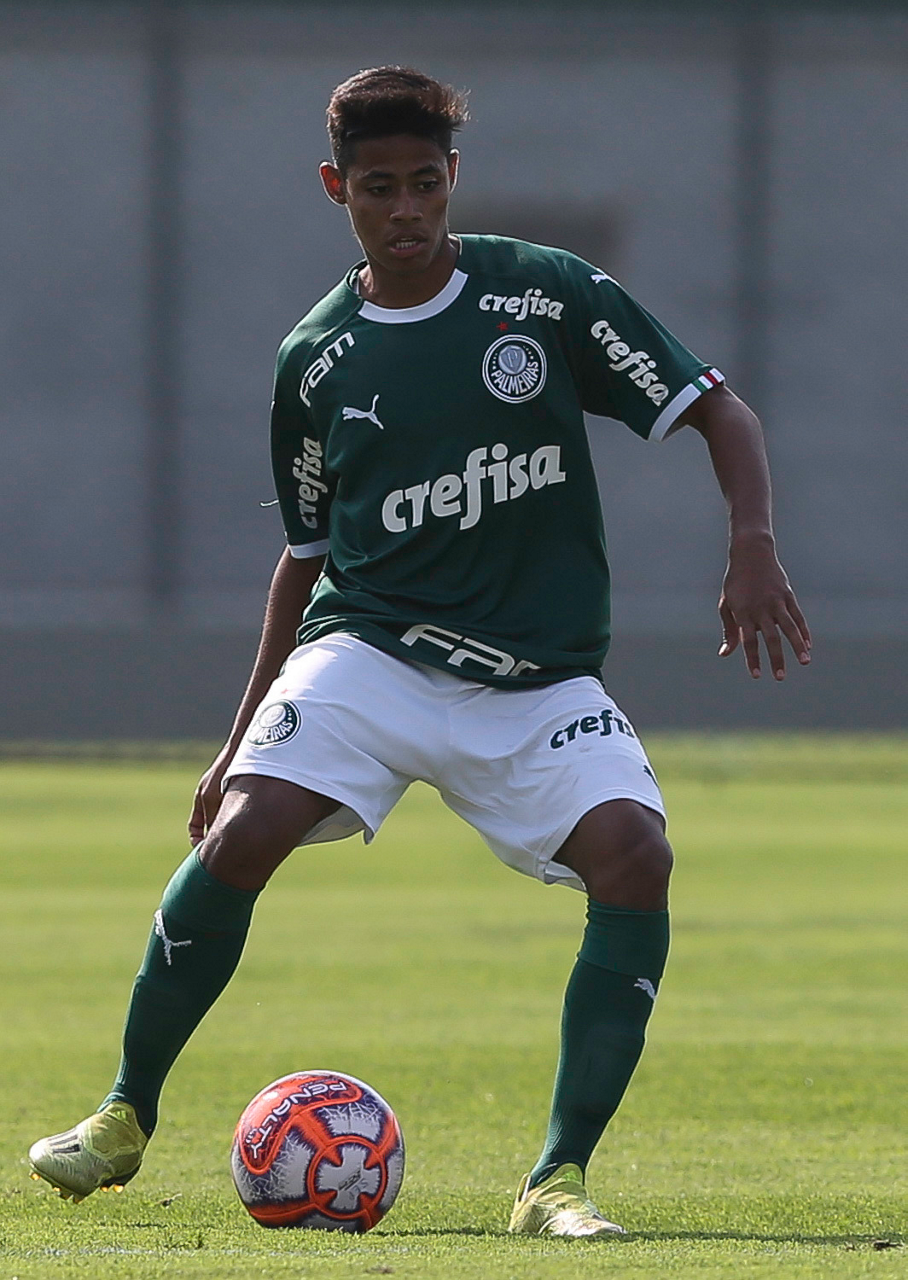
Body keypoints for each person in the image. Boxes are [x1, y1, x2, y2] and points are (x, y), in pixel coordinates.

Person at [29, 66, 810, 1237]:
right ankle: (123, 1112)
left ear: (454, 178)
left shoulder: (543, 294)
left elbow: (718, 409)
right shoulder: (315, 359)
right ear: (335, 188)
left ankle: (554, 1180)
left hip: (535, 676)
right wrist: (237, 738)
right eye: (378, 188)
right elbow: (304, 556)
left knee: (634, 856)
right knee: (243, 825)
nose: (405, 210)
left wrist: (750, 544)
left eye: (425, 184)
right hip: (372, 647)